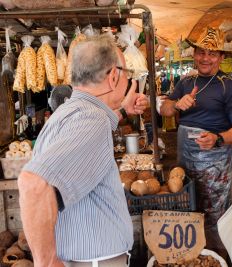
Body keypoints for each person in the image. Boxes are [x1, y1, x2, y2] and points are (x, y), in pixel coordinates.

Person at [18, 35, 149, 267]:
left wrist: (123, 110)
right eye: (126, 72)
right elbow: (32, 183)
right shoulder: (92, 119)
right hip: (93, 261)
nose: (128, 78)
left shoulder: (71, 110)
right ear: (114, 76)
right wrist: (46, 261)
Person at [160, 27, 232, 253]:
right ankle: (189, 253)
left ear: (221, 57)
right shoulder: (185, 82)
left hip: (215, 158)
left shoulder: (229, 86)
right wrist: (176, 104)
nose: (205, 58)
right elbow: (165, 109)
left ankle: (215, 254)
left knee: (213, 209)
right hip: (184, 152)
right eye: (201, 52)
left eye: (212, 53)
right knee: (186, 199)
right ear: (194, 54)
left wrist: (219, 138)